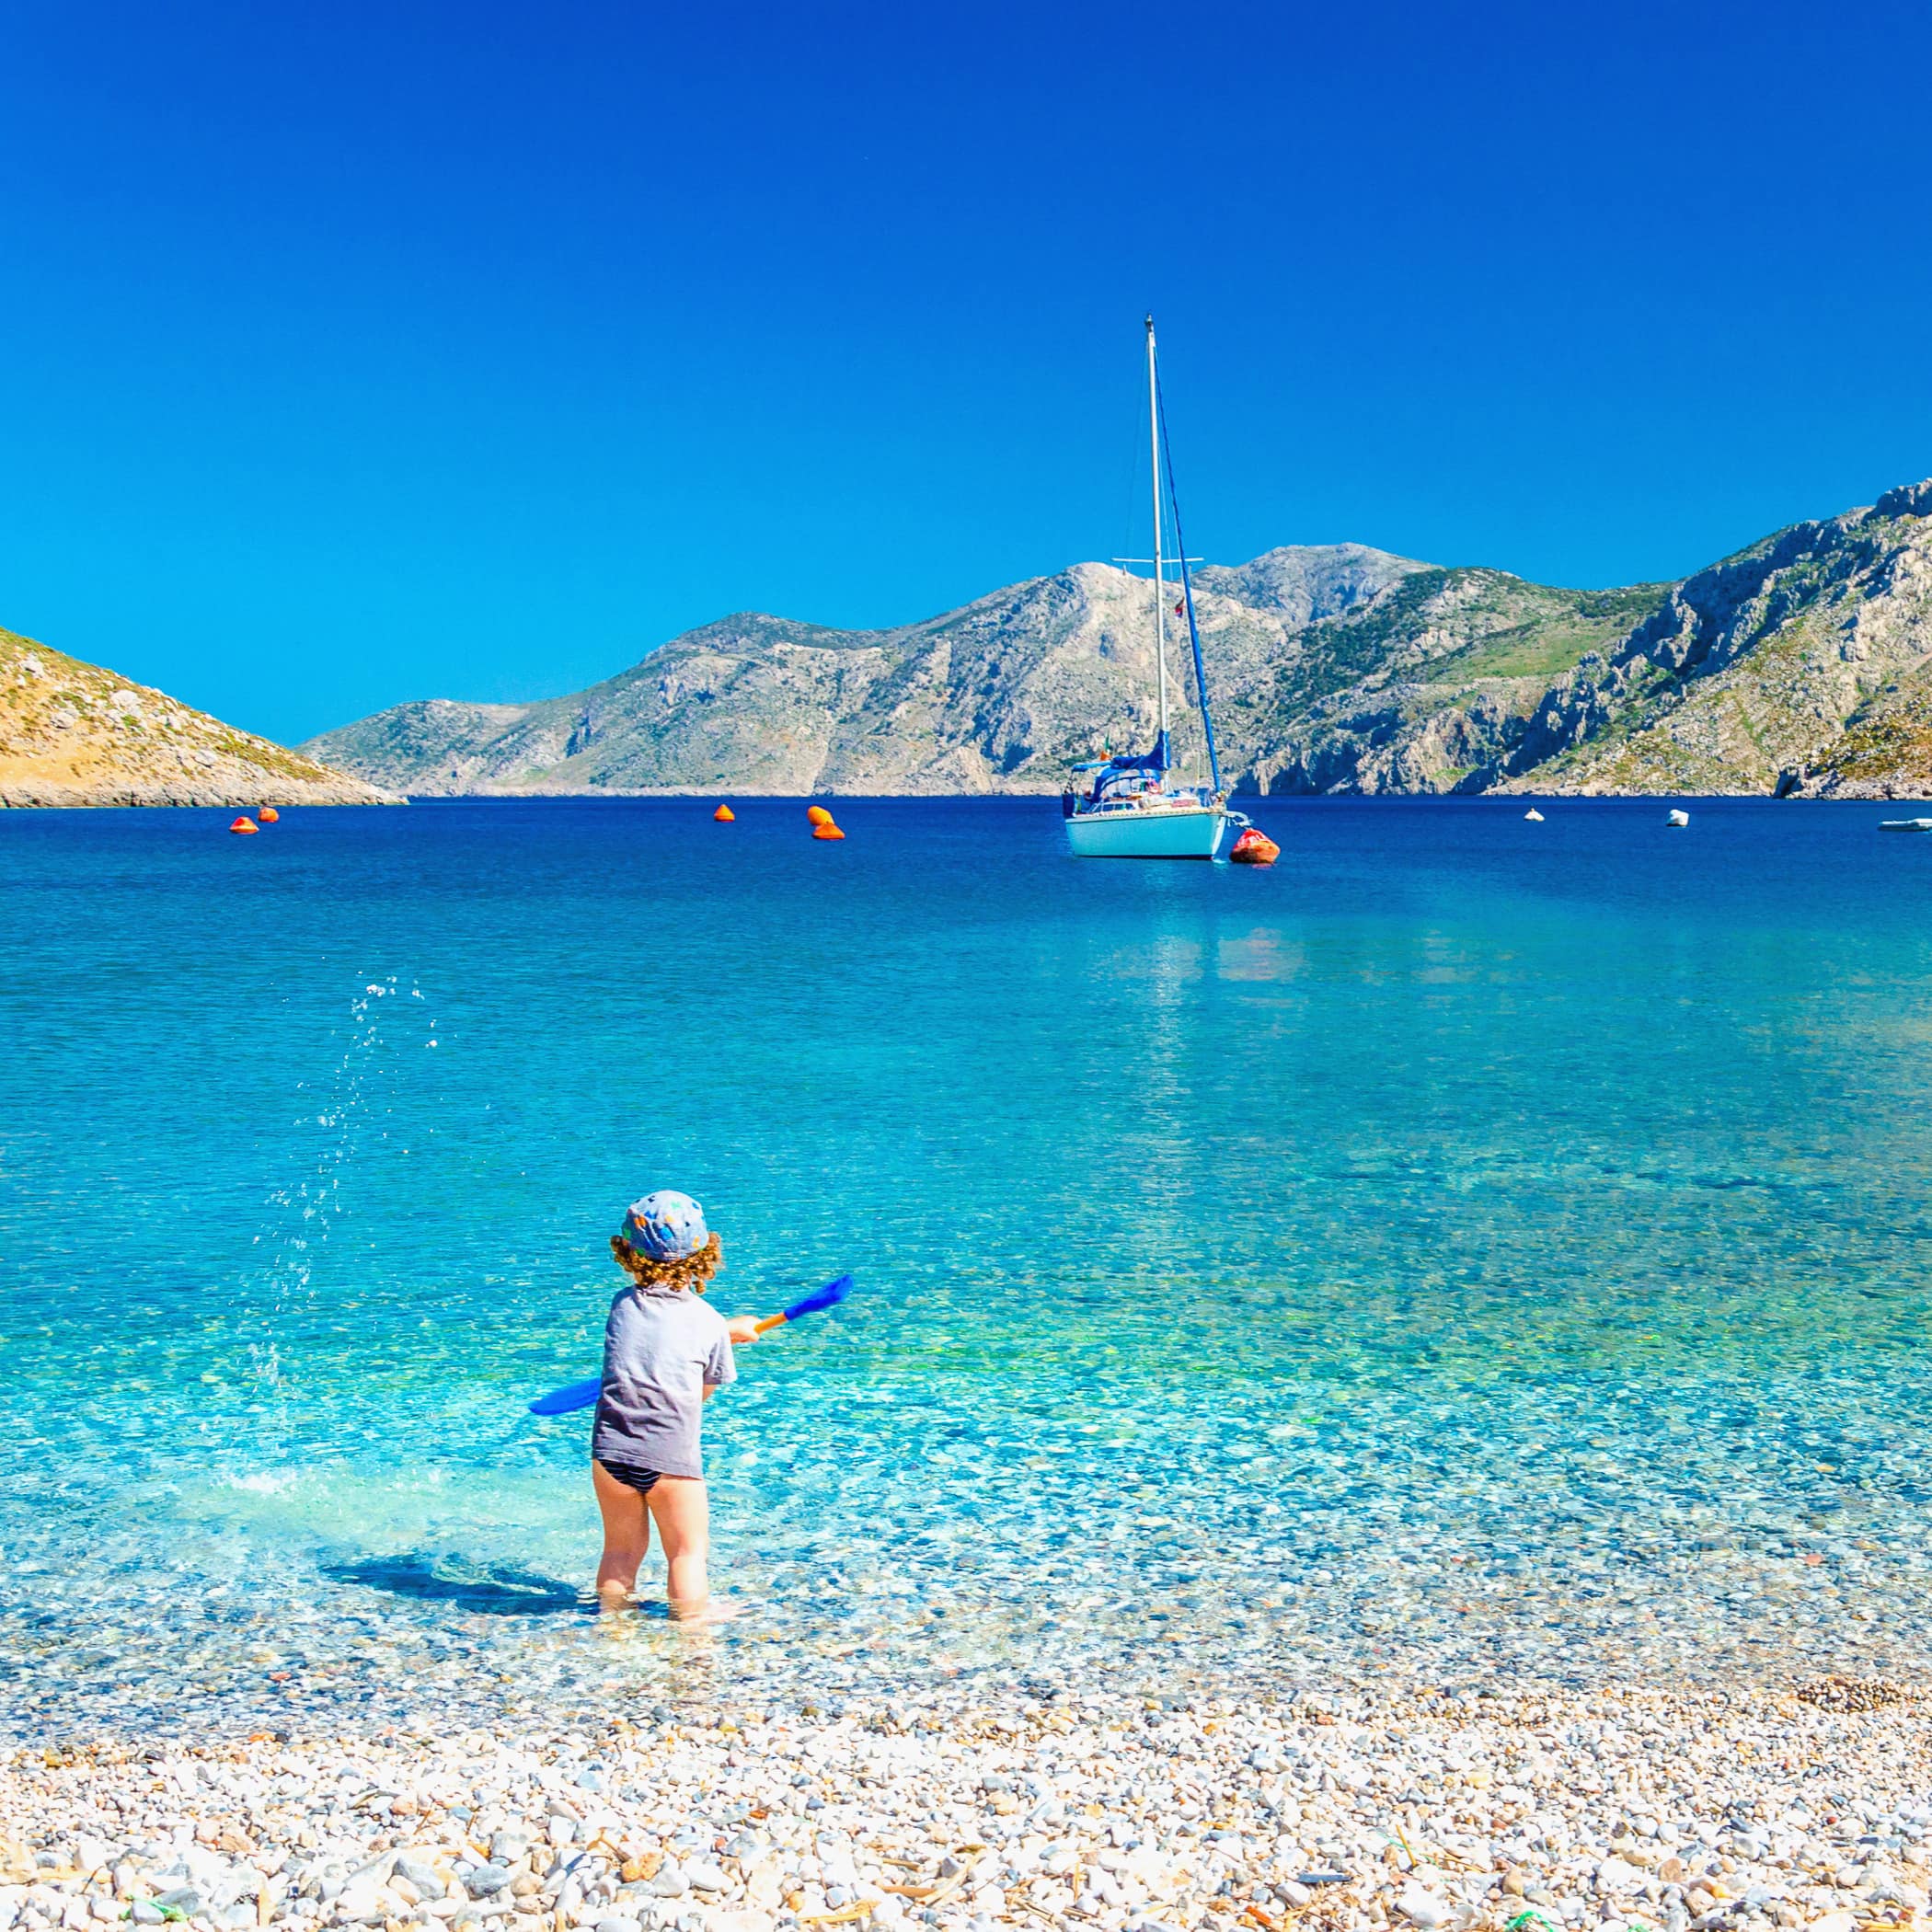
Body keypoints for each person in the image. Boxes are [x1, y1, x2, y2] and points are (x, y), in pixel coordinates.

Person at [591, 1189, 759, 1619]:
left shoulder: (621, 1306)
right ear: (706, 1253)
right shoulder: (706, 1322)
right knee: (686, 1553)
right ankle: (690, 1632)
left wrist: (722, 1331)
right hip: (670, 1461)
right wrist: (725, 1336)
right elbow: (697, 1394)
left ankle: (611, 1625)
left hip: (610, 1452)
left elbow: (661, 1337)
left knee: (620, 1551)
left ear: (627, 1251)